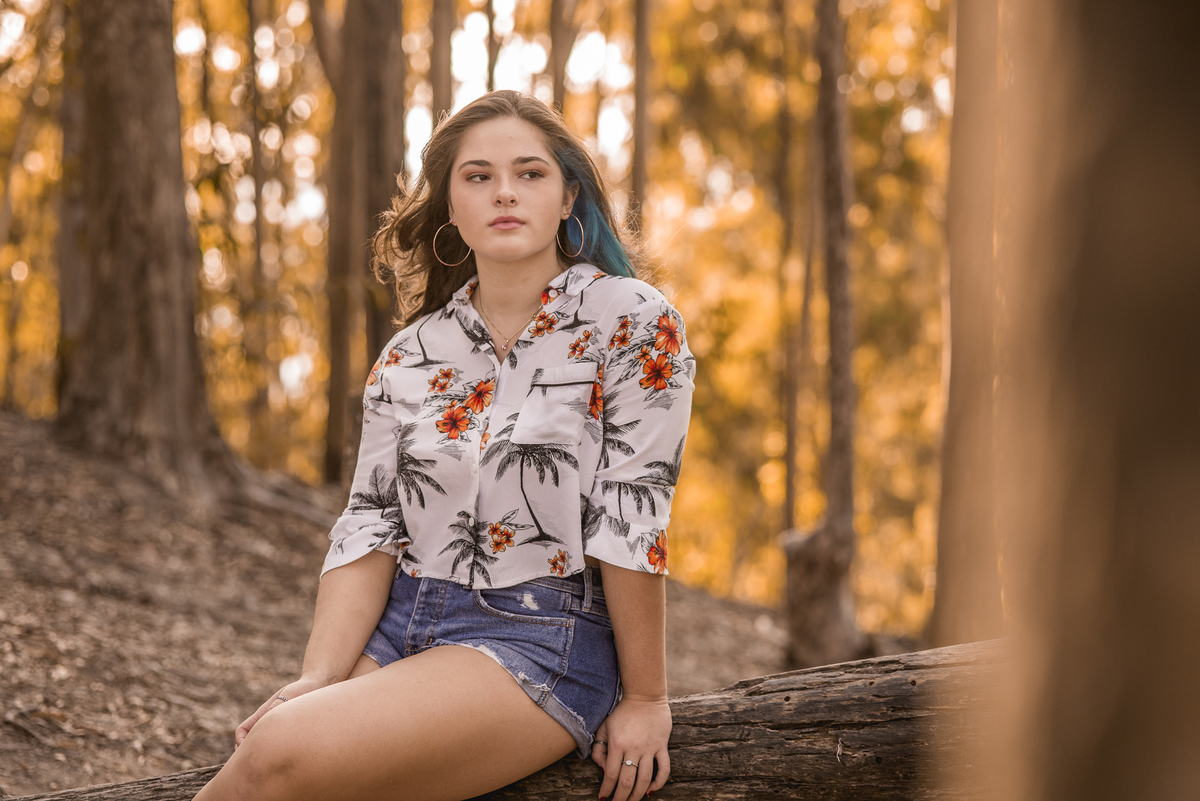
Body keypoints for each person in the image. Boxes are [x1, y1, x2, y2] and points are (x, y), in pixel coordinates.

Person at [194, 89, 695, 801]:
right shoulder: (414, 352)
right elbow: (370, 525)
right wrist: (317, 676)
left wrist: (647, 696)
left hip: (541, 635)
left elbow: (631, 518)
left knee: (280, 754)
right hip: (403, 620)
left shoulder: (634, 320)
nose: (505, 194)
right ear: (452, 208)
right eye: (478, 176)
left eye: (530, 173)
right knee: (283, 750)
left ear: (567, 197)